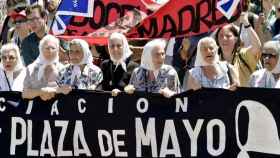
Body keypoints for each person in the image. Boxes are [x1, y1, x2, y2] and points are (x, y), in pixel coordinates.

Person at [215, 13, 262, 86]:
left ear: (236, 39)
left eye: (228, 36)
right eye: (221, 36)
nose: (224, 39)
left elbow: (257, 46)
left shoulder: (243, 54)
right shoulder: (215, 59)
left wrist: (246, 23)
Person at [22, 35, 70, 101]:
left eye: (53, 48)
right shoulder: (31, 69)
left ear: (57, 50)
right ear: (41, 50)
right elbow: (25, 93)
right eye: (47, 48)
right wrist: (41, 91)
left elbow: (67, 89)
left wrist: (51, 90)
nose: (50, 51)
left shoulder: (64, 69)